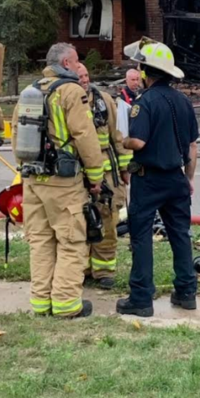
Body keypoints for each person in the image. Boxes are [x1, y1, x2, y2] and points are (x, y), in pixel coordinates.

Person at [12, 43, 104, 319]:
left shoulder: (31, 91)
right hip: (63, 182)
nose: (79, 67)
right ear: (66, 63)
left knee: (40, 241)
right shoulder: (71, 91)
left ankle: (41, 302)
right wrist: (96, 176)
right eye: (76, 62)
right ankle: (66, 304)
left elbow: (17, 133)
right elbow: (84, 136)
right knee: (71, 240)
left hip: (34, 179)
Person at [116, 40, 199, 318]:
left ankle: (141, 298)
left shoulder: (144, 103)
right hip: (176, 179)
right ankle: (187, 293)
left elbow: (138, 142)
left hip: (148, 180)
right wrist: (188, 179)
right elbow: (192, 147)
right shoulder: (184, 101)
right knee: (180, 235)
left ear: (146, 71)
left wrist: (123, 139)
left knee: (141, 237)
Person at [77, 63, 132, 290]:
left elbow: (118, 138)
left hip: (108, 177)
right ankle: (82, 268)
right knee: (79, 223)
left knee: (107, 222)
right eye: (79, 76)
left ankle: (104, 270)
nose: (84, 80)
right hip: (77, 177)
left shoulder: (104, 101)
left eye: (86, 75)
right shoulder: (66, 102)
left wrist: (125, 169)